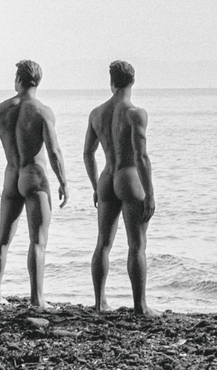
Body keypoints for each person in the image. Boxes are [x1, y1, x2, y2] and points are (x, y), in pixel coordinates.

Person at [0, 59, 68, 310]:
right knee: (38, 241)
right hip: (34, 177)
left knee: (3, 239)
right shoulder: (42, 111)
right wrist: (63, 181)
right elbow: (54, 151)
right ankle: (36, 299)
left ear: (19, 80)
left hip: (11, 177)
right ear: (37, 81)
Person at [83, 59, 155, 314]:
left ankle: (99, 302)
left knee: (103, 243)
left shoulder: (96, 114)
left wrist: (95, 185)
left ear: (111, 83)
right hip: (128, 177)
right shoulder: (135, 114)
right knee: (137, 244)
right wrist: (150, 194)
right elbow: (141, 157)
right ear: (132, 82)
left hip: (106, 177)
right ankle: (140, 306)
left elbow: (87, 153)